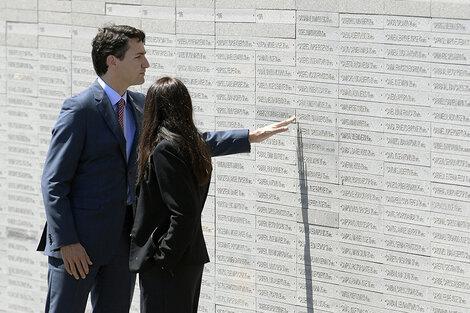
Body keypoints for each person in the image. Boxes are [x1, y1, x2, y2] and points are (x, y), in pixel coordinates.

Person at [37, 24, 295, 313]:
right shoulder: (79, 110)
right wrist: (67, 241)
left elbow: (184, 142)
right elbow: (53, 182)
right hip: (78, 245)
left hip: (124, 244)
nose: (146, 63)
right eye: (138, 56)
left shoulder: (141, 105)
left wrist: (248, 136)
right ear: (113, 60)